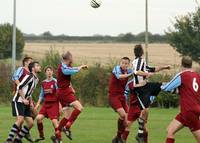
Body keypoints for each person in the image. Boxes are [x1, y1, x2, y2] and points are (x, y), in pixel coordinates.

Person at [132, 44, 170, 143]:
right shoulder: (138, 61)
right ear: (142, 52)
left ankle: (181, 91)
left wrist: (164, 67)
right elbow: (137, 72)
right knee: (144, 111)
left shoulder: (142, 62)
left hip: (146, 86)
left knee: (162, 85)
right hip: (140, 89)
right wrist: (147, 74)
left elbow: (152, 69)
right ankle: (139, 134)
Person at [161, 56, 200, 143]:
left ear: (181, 64)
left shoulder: (182, 75)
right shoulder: (197, 75)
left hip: (188, 111)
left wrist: (159, 85)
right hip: (191, 110)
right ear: (191, 65)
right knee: (170, 131)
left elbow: (167, 87)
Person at [52, 51, 88, 143]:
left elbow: (70, 69)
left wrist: (80, 67)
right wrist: (79, 68)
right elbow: (66, 71)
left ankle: (57, 134)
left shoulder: (65, 65)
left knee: (67, 116)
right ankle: (67, 127)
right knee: (79, 108)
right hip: (64, 92)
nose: (72, 59)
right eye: (71, 57)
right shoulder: (63, 66)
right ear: (67, 58)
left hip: (62, 92)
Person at [5, 61, 41, 143]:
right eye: (37, 66)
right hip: (18, 101)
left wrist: (30, 102)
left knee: (31, 123)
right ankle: (9, 140)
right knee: (20, 120)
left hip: (26, 103)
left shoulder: (36, 79)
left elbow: (29, 92)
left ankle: (17, 140)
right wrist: (24, 99)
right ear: (33, 68)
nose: (39, 67)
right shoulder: (29, 77)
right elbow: (19, 87)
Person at [108, 57, 133, 143]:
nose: (124, 65)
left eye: (126, 63)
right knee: (123, 115)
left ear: (128, 65)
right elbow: (119, 77)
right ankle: (119, 138)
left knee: (128, 120)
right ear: (120, 63)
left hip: (122, 97)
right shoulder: (116, 69)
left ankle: (118, 138)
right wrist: (131, 74)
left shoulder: (129, 71)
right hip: (113, 96)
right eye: (123, 63)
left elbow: (137, 74)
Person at [34, 66, 60, 142]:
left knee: (54, 122)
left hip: (54, 104)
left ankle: (58, 138)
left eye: (50, 70)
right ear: (45, 73)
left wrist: (61, 106)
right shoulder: (43, 83)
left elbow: (59, 94)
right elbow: (41, 95)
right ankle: (41, 136)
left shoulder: (55, 81)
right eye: (47, 70)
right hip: (46, 104)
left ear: (52, 72)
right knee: (38, 118)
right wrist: (38, 104)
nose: (49, 72)